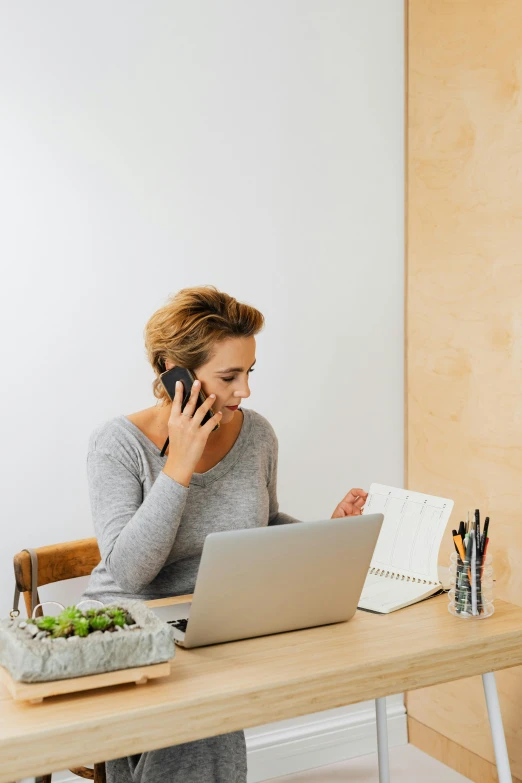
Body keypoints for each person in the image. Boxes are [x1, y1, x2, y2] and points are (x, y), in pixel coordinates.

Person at [80, 285, 368, 783]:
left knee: (207, 697)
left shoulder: (256, 434)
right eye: (229, 376)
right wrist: (180, 465)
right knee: (201, 710)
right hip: (127, 620)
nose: (246, 391)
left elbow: (263, 525)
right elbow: (128, 572)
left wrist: (324, 535)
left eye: (249, 372)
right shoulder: (117, 445)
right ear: (172, 371)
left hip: (214, 621)